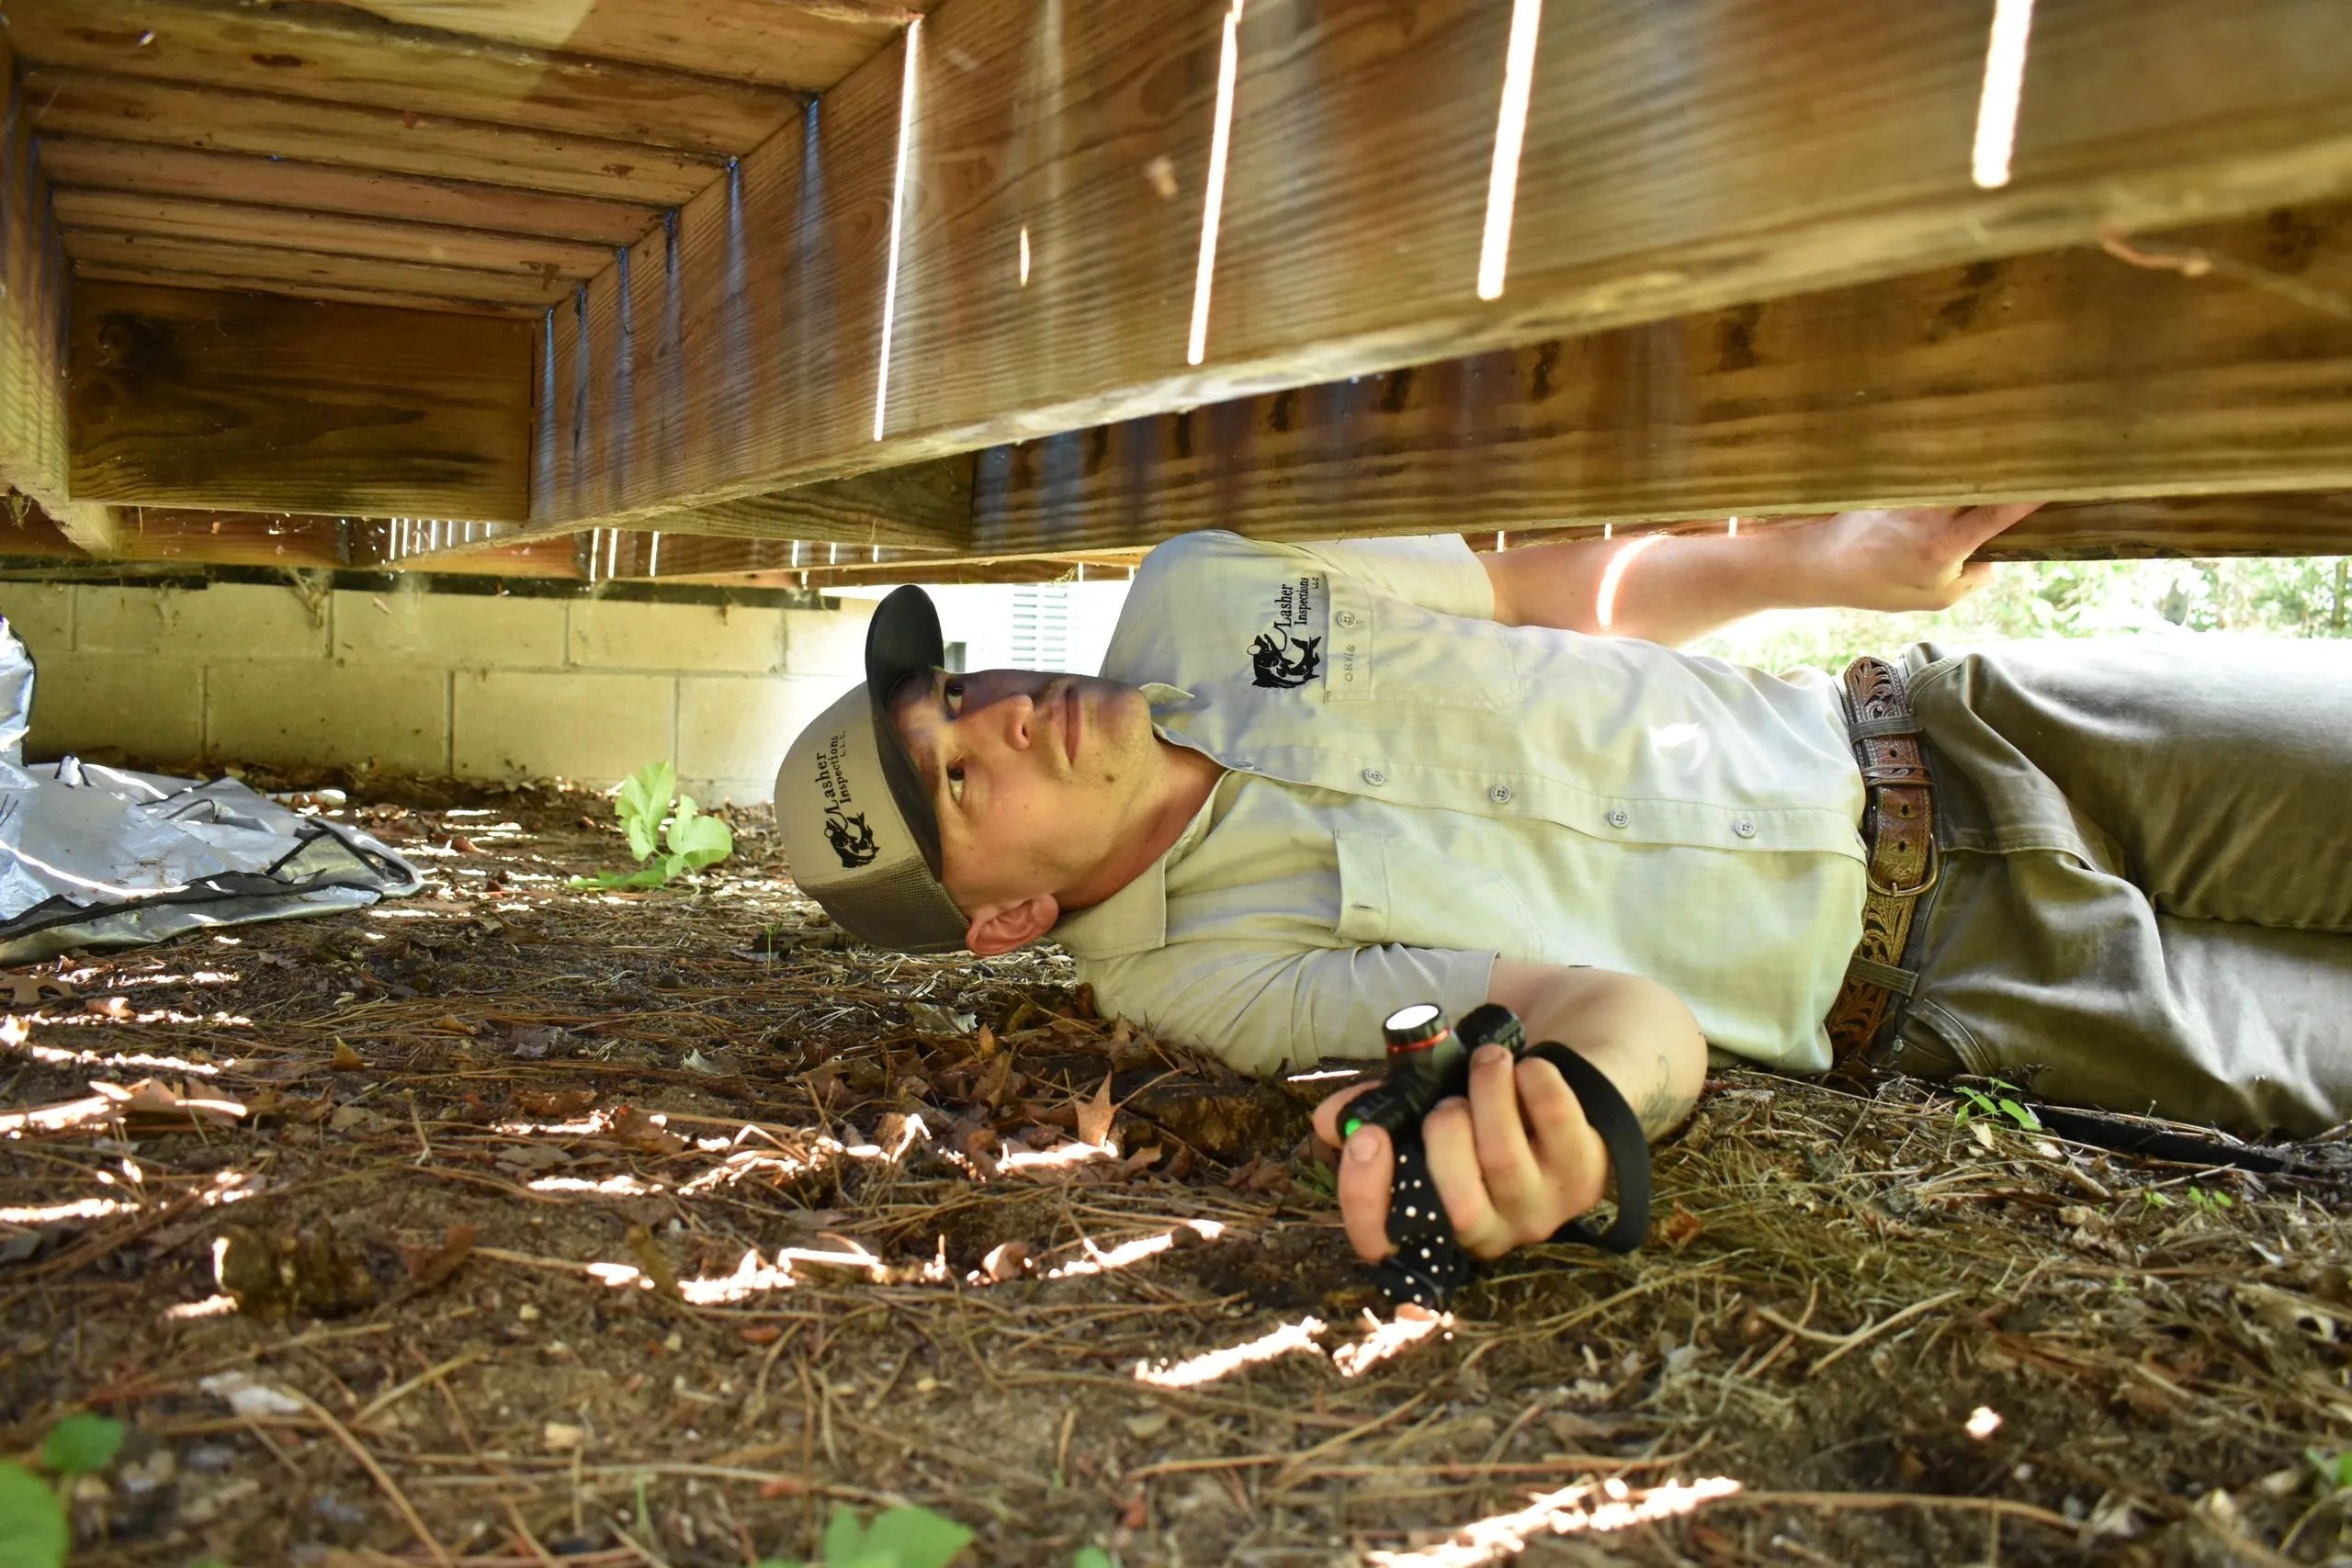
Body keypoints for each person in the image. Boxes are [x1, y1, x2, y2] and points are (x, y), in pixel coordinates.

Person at [773, 507, 2352, 1271]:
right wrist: (1580, 1110)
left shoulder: (1197, 589)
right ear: (1005, 924)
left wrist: (1830, 553)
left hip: (1966, 727)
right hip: (1979, 990)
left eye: (956, 699)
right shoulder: (1195, 974)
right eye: (958, 786)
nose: (996, 723)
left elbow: (1543, 588)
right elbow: (1580, 1013)